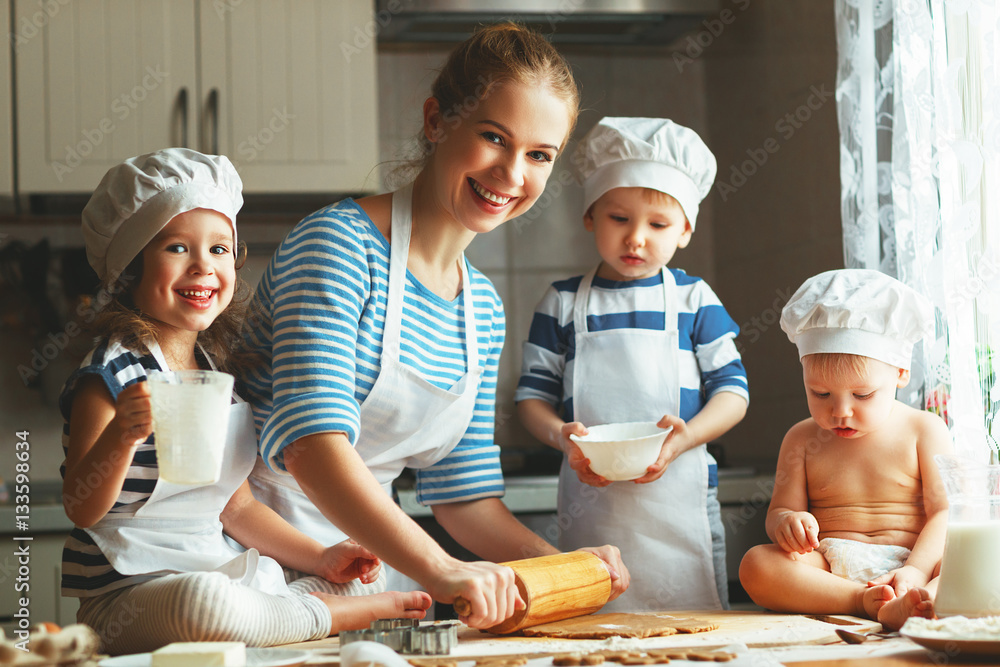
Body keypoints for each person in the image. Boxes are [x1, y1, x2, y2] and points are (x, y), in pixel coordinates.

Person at [238, 23, 628, 629]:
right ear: (436, 121)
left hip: (374, 578)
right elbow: (311, 446)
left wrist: (567, 570)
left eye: (539, 155)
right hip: (255, 569)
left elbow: (462, 497)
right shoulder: (338, 245)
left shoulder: (482, 308)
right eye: (494, 137)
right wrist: (442, 569)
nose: (511, 173)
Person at [61, 148, 431, 654]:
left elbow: (235, 507)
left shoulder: (215, 372)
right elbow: (81, 507)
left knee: (351, 574)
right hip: (127, 595)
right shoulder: (109, 373)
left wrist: (322, 557)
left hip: (212, 566)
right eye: (176, 248)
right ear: (130, 268)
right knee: (206, 604)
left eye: (219, 250)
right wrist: (123, 434)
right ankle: (336, 616)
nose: (203, 267)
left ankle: (326, 602)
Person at [515, 117, 749, 612]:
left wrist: (683, 438)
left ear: (685, 230)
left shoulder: (694, 300)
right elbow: (531, 400)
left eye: (658, 224)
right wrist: (564, 437)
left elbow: (734, 393)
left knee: (697, 640)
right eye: (618, 219)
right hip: (591, 506)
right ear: (590, 218)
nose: (636, 238)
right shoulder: (560, 303)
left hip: (681, 502)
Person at [739, 269, 949, 630]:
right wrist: (786, 523)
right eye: (820, 394)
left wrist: (915, 569)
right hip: (828, 566)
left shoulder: (923, 429)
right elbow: (780, 510)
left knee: (978, 558)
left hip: (915, 561)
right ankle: (861, 601)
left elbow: (945, 512)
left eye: (862, 395)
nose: (840, 411)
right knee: (756, 564)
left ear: (900, 372)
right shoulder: (801, 438)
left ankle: (918, 597)